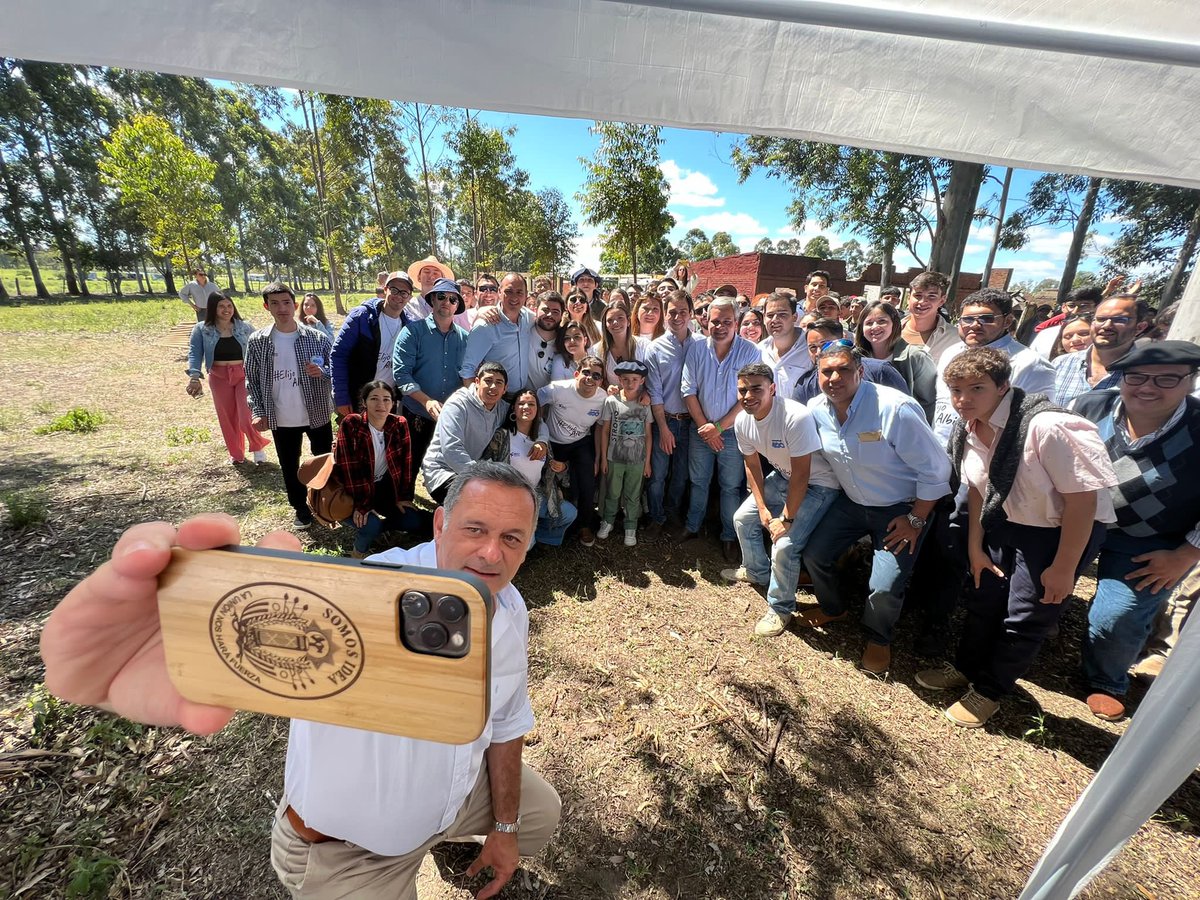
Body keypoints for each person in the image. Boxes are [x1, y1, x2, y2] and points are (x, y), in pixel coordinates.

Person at [40, 464, 562, 899]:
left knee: (541, 814)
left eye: (510, 538)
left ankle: (444, 834)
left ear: (528, 545)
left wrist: (505, 829)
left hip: (445, 803)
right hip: (348, 853)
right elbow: (286, 638)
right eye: (475, 529)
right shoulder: (366, 594)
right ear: (440, 524)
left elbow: (507, 722)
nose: (492, 553)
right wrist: (186, 625)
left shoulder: (511, 608)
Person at [914, 349, 1116, 727]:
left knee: (1025, 615)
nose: (964, 399)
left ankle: (990, 689)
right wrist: (975, 547)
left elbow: (1083, 501)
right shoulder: (969, 427)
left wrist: (1064, 567)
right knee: (983, 596)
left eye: (977, 388)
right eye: (956, 390)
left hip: (1057, 533)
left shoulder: (1048, 426)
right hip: (1003, 522)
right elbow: (977, 491)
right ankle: (966, 667)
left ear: (1003, 386)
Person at [800, 343, 952, 675]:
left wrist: (916, 519)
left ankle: (879, 637)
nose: (834, 378)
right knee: (814, 555)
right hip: (852, 503)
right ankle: (833, 607)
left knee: (884, 587)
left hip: (899, 510)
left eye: (843, 370)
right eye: (826, 371)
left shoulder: (893, 408)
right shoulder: (815, 408)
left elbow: (937, 469)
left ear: (860, 371)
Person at [1071, 341, 1200, 721]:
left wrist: (1186, 555)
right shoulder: (1088, 407)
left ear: (1190, 381)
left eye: (1166, 379)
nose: (1147, 387)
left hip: (1151, 538)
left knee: (1119, 615)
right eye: (1137, 377)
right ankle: (1037, 635)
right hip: (1079, 522)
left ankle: (1106, 679)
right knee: (1042, 585)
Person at [722, 364, 841, 637]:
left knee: (785, 544)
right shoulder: (742, 420)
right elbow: (751, 465)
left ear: (772, 389)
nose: (748, 395)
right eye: (742, 390)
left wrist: (785, 519)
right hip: (785, 478)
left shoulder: (794, 417)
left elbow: (802, 474)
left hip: (819, 485)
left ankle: (780, 608)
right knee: (743, 518)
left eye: (756, 389)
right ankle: (757, 571)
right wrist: (762, 507)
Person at [676, 297, 764, 562]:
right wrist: (706, 426)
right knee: (699, 482)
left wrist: (718, 427)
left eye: (727, 321)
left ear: (736, 323)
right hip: (700, 430)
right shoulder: (696, 349)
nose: (720, 326)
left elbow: (748, 395)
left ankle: (728, 536)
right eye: (715, 321)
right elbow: (688, 390)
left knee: (730, 486)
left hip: (733, 431)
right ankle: (692, 526)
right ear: (706, 321)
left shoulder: (749, 351)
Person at [245, 281, 334, 529]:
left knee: (324, 460)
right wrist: (258, 411)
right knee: (289, 465)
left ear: (294, 305)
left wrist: (323, 372)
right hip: (281, 417)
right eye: (275, 303)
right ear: (266, 307)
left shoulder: (317, 338)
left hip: (316, 412)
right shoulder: (258, 341)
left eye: (286, 302)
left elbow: (334, 369)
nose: (281, 308)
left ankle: (325, 503)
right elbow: (251, 379)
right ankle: (300, 508)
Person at [932, 288, 1055, 442]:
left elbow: (1034, 425)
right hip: (941, 448)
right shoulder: (950, 353)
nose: (975, 325)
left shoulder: (1032, 365)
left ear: (1007, 321)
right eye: (967, 319)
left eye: (986, 319)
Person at [334, 381, 434, 557]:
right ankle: (359, 553)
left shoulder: (399, 423)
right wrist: (362, 504)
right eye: (374, 399)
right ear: (364, 402)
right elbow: (350, 470)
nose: (381, 405)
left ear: (393, 403)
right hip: (350, 491)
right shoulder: (352, 424)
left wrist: (403, 497)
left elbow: (406, 464)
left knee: (411, 519)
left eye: (386, 399)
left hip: (381, 488)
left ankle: (380, 528)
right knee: (370, 524)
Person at [423, 362, 530, 505]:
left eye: (498, 383)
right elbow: (451, 450)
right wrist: (482, 479)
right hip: (442, 472)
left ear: (505, 389)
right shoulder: (458, 404)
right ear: (477, 382)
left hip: (473, 474)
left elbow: (532, 418)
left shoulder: (502, 408)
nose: (493, 387)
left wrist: (542, 439)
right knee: (479, 503)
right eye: (488, 381)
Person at [483, 389, 577, 549]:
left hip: (534, 496)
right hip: (507, 499)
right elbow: (485, 465)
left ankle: (539, 534)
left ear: (537, 410)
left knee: (569, 513)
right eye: (521, 403)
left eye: (531, 404)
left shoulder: (542, 440)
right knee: (525, 546)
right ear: (513, 408)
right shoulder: (502, 435)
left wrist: (561, 467)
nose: (526, 407)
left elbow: (551, 470)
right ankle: (520, 534)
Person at [391, 277, 469, 471]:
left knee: (446, 467)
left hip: (450, 416)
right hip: (417, 413)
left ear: (457, 305)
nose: (446, 302)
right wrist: (426, 401)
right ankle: (404, 499)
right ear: (432, 300)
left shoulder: (466, 338)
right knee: (409, 465)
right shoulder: (412, 332)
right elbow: (401, 374)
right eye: (442, 296)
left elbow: (469, 375)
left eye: (453, 299)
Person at [186, 291, 271, 465]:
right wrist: (194, 376)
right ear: (213, 308)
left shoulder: (244, 327)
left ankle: (257, 446)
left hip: (243, 374)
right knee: (227, 417)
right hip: (218, 376)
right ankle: (236, 453)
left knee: (246, 415)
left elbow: (261, 346)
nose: (226, 310)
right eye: (221, 306)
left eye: (229, 306)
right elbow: (194, 352)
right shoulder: (202, 329)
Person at [537, 356, 607, 546]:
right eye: (586, 372)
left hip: (580, 442)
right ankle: (546, 521)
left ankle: (584, 524)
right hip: (552, 441)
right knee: (547, 479)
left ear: (601, 380)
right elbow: (534, 400)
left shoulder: (603, 399)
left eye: (596, 375)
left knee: (587, 479)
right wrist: (539, 427)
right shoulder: (558, 389)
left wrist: (598, 457)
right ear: (576, 374)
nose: (590, 378)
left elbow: (600, 427)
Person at [645, 289, 696, 540]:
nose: (677, 317)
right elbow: (654, 391)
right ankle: (656, 517)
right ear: (665, 315)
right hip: (664, 420)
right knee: (658, 475)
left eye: (683, 312)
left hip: (692, 424)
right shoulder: (655, 348)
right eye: (672, 312)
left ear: (691, 314)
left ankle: (672, 513)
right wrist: (663, 428)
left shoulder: (701, 345)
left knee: (681, 475)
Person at [330, 271, 414, 418]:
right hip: (359, 397)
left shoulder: (409, 327)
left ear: (409, 297)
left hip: (388, 399)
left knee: (383, 440)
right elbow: (339, 355)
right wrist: (341, 397)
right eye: (394, 290)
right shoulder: (362, 317)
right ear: (385, 289)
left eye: (404, 293)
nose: (398, 296)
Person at [1051, 294, 1153, 407]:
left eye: (1120, 320)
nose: (1107, 325)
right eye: (1101, 319)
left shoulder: (1149, 374)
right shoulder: (1060, 364)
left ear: (1140, 327)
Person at [597, 360, 653, 546]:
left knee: (633, 494)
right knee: (612, 492)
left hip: (637, 459)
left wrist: (647, 462)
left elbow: (648, 435)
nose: (630, 383)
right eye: (626, 379)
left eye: (635, 379)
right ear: (619, 380)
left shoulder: (645, 404)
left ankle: (631, 526)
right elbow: (604, 431)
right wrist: (605, 458)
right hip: (615, 458)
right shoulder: (611, 401)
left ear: (642, 380)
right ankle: (608, 521)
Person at [854, 300, 938, 421]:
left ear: (894, 324)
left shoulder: (916, 357)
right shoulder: (856, 358)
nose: (875, 327)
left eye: (882, 321)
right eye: (868, 323)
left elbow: (929, 403)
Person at [791, 319, 908, 406]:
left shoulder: (880, 371)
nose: (818, 352)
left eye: (824, 344)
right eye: (812, 347)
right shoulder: (804, 386)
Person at [460, 274, 534, 397]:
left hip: (521, 397)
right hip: (495, 399)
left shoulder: (528, 318)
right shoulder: (485, 326)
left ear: (526, 295)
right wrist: (479, 403)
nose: (514, 297)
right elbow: (467, 370)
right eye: (508, 291)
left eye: (519, 292)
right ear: (499, 292)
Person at [758, 292, 811, 402]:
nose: (775, 320)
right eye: (770, 315)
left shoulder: (810, 348)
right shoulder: (759, 350)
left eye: (782, 315)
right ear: (764, 318)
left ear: (794, 317)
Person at [899, 271, 959, 365]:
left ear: (942, 300)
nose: (922, 302)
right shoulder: (890, 331)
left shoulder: (955, 338)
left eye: (932, 296)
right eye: (918, 295)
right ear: (908, 298)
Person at [1030, 286, 1102, 358]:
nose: (1075, 311)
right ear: (1063, 307)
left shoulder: (1105, 335)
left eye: (1084, 306)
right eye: (1071, 306)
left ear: (1098, 307)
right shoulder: (1046, 335)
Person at [597, 300, 649, 385]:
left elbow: (653, 378)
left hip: (641, 397)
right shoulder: (597, 350)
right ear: (605, 325)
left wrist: (645, 394)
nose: (615, 323)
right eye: (610, 320)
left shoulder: (644, 346)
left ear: (628, 321)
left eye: (620, 318)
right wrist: (607, 388)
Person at [403, 254, 455, 324]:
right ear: (419, 277)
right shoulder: (409, 307)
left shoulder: (450, 306)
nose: (431, 276)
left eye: (436, 273)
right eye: (427, 272)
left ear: (442, 279)